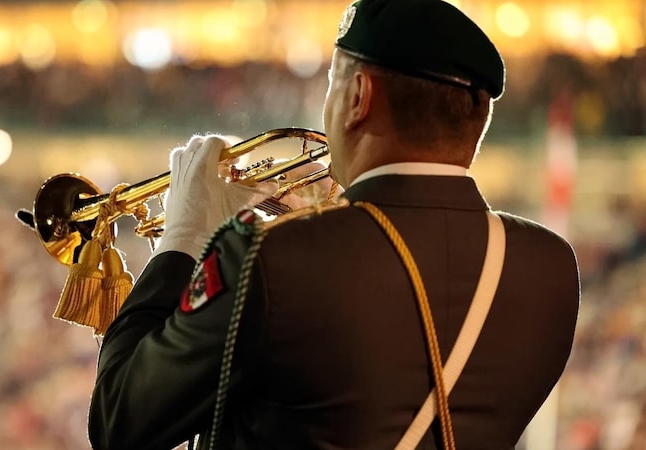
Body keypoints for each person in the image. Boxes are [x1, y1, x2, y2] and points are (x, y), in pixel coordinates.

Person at [87, 0, 581, 449]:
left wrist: (182, 241)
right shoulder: (552, 265)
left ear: (359, 96)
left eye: (331, 85)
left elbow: (119, 420)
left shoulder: (266, 255)